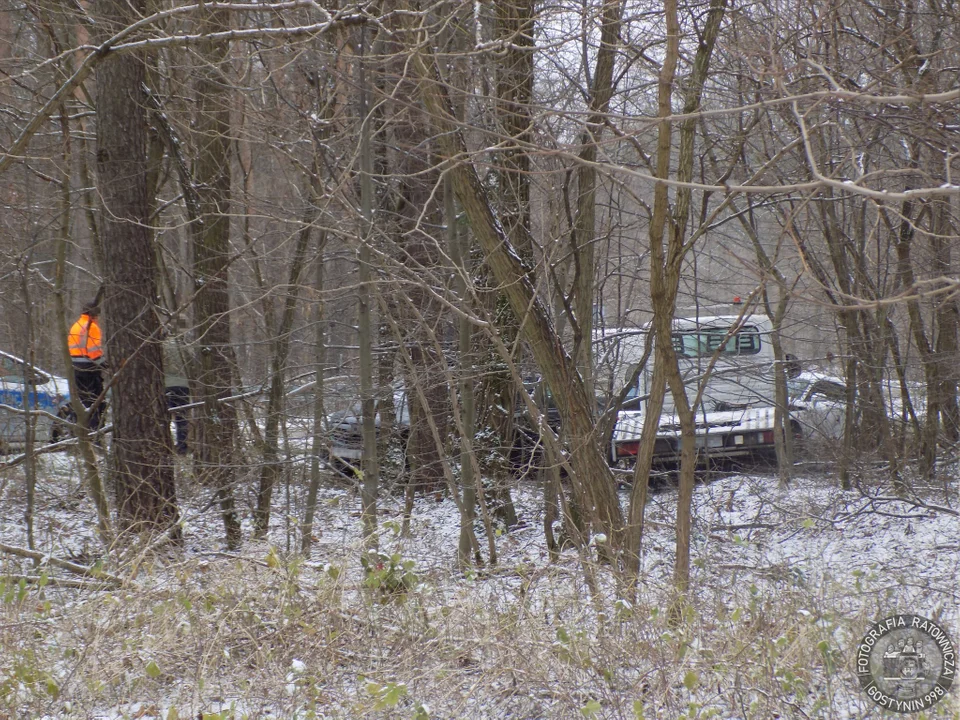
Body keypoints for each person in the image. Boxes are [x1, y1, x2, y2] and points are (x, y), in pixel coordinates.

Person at [68, 301, 105, 431]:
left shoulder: (76, 326)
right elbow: (93, 352)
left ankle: (79, 432)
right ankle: (94, 434)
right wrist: (105, 364)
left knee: (82, 402)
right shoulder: (92, 327)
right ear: (93, 314)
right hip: (89, 369)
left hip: (76, 368)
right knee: (95, 402)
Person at [163, 333, 190, 454]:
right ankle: (182, 446)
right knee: (182, 418)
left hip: (166, 385)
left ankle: (164, 444)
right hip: (183, 385)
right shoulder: (184, 346)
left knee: (164, 417)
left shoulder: (160, 346)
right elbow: (192, 364)